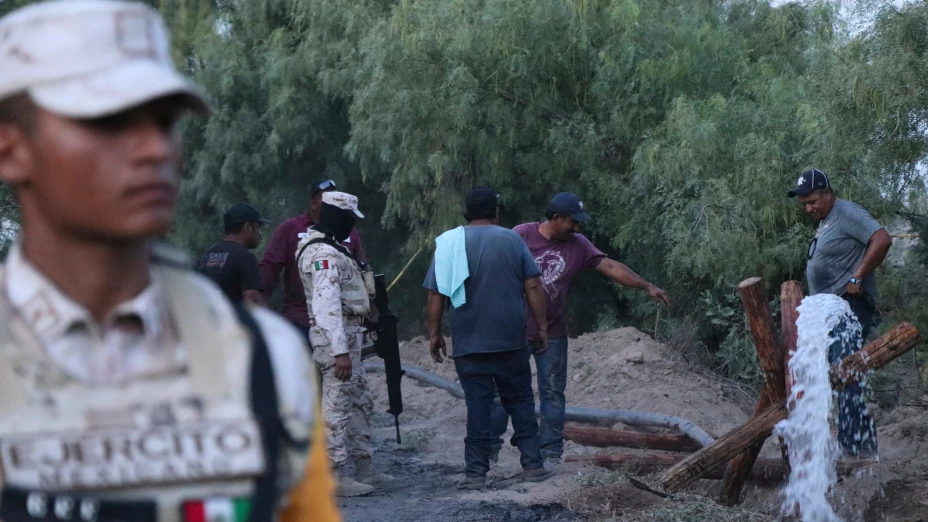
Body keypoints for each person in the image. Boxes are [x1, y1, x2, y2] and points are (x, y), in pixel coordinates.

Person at [0, 1, 341, 521]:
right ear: (11, 151)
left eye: (164, 121)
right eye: (108, 119)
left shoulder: (264, 361)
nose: (155, 148)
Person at [489, 192, 670, 465]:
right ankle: (489, 449)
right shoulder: (520, 236)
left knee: (552, 392)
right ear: (556, 218)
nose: (577, 228)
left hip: (553, 331)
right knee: (505, 390)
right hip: (514, 329)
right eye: (572, 222)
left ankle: (550, 451)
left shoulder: (578, 244)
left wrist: (647, 286)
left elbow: (609, 266)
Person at [423, 186, 555, 490]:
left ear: (467, 211)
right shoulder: (511, 239)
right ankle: (533, 466)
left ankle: (476, 474)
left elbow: (435, 293)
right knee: (520, 399)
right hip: (510, 340)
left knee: (478, 406)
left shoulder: (448, 243)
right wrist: (542, 327)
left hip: (469, 342)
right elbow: (533, 285)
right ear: (495, 211)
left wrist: (434, 334)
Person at [789, 168, 892, 458]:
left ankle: (853, 446)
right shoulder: (827, 221)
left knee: (845, 369)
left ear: (828, 193)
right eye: (804, 204)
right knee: (840, 371)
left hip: (848, 307)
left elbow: (882, 239)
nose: (808, 208)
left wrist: (857, 277)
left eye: (812, 201)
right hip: (831, 310)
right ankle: (861, 440)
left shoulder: (846, 212)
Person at [297, 190, 391, 497]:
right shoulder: (324, 254)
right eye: (349, 219)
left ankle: (365, 468)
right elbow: (327, 307)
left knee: (359, 402)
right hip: (336, 343)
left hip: (350, 339)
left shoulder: (333, 249)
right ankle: (333, 477)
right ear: (338, 217)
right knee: (336, 409)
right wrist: (339, 352)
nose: (352, 225)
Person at [260, 179, 367, 340]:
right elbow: (269, 267)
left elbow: (362, 267)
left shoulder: (350, 232)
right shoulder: (290, 229)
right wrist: (261, 305)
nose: (333, 204)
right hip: (300, 320)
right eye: (328, 200)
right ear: (313, 204)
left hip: (342, 321)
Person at [196, 202, 270, 306]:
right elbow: (254, 304)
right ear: (248, 227)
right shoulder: (245, 258)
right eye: (258, 227)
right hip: (234, 321)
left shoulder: (207, 255)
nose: (259, 233)